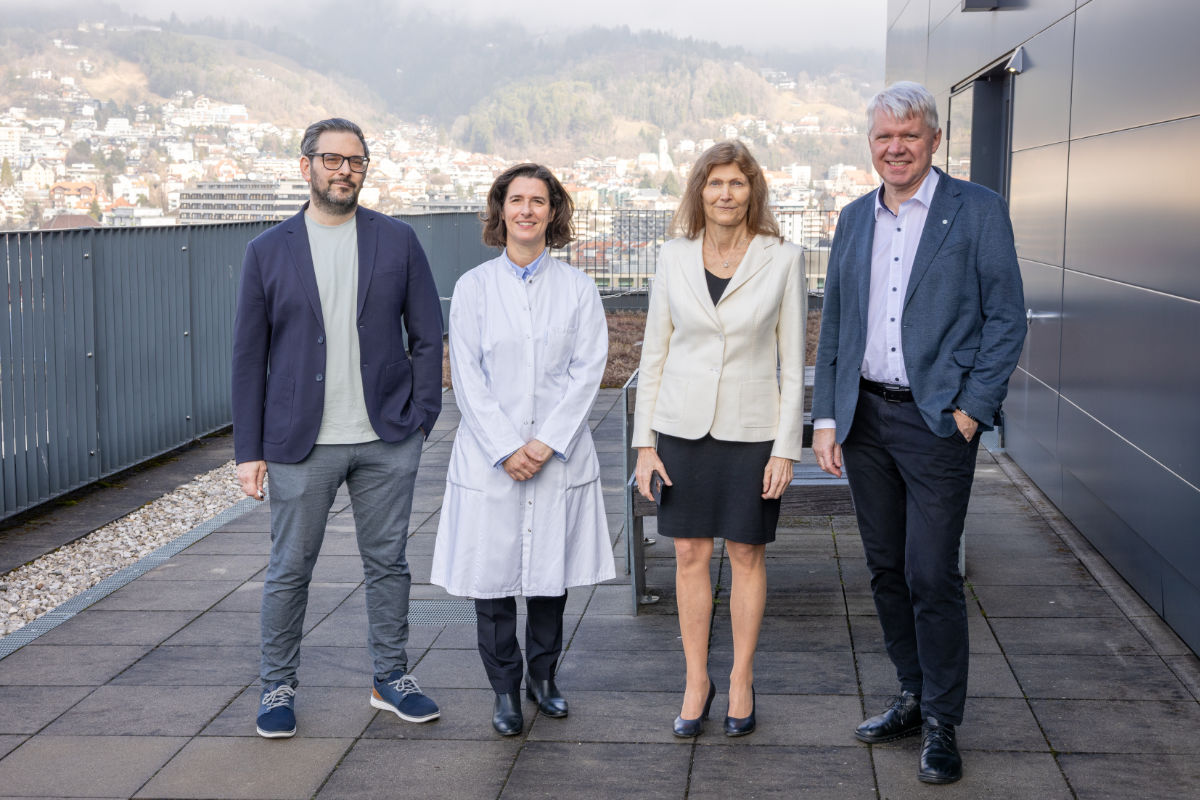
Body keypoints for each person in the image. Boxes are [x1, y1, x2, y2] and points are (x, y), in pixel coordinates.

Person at [812, 81, 1026, 784]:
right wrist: (826, 417)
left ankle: (942, 721)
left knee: (932, 572)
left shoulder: (977, 210)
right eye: (884, 136)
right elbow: (837, 324)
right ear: (870, 144)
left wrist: (971, 409)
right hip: (864, 420)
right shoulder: (853, 218)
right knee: (884, 568)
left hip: (937, 421)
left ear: (935, 139)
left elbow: (1006, 319)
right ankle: (911, 693)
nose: (896, 148)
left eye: (909, 135)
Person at [232, 118, 444, 739]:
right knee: (289, 569)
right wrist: (248, 451)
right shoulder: (267, 250)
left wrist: (422, 419)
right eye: (332, 159)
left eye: (355, 161)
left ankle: (391, 677)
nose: (344, 170)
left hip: (385, 438)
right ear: (306, 166)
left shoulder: (398, 240)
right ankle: (277, 685)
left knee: (389, 566)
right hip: (300, 443)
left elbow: (427, 335)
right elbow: (248, 357)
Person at [430, 163, 615, 736]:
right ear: (501, 210)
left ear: (553, 212)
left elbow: (588, 371)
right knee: (492, 583)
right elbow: (467, 376)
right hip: (492, 459)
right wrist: (508, 448)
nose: (527, 210)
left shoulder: (579, 289)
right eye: (517, 200)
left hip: (555, 455)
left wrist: (543, 444)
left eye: (538, 200)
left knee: (548, 579)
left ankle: (544, 677)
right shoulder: (474, 288)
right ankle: (504, 690)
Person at [632, 141, 806, 738]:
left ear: (752, 190)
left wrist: (786, 448)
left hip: (752, 430)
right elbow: (654, 353)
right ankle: (696, 680)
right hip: (681, 429)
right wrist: (645, 444)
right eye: (715, 183)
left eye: (736, 182)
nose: (725, 194)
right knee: (688, 554)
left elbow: (792, 360)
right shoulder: (673, 255)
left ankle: (740, 679)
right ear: (699, 191)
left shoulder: (783, 257)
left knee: (747, 553)